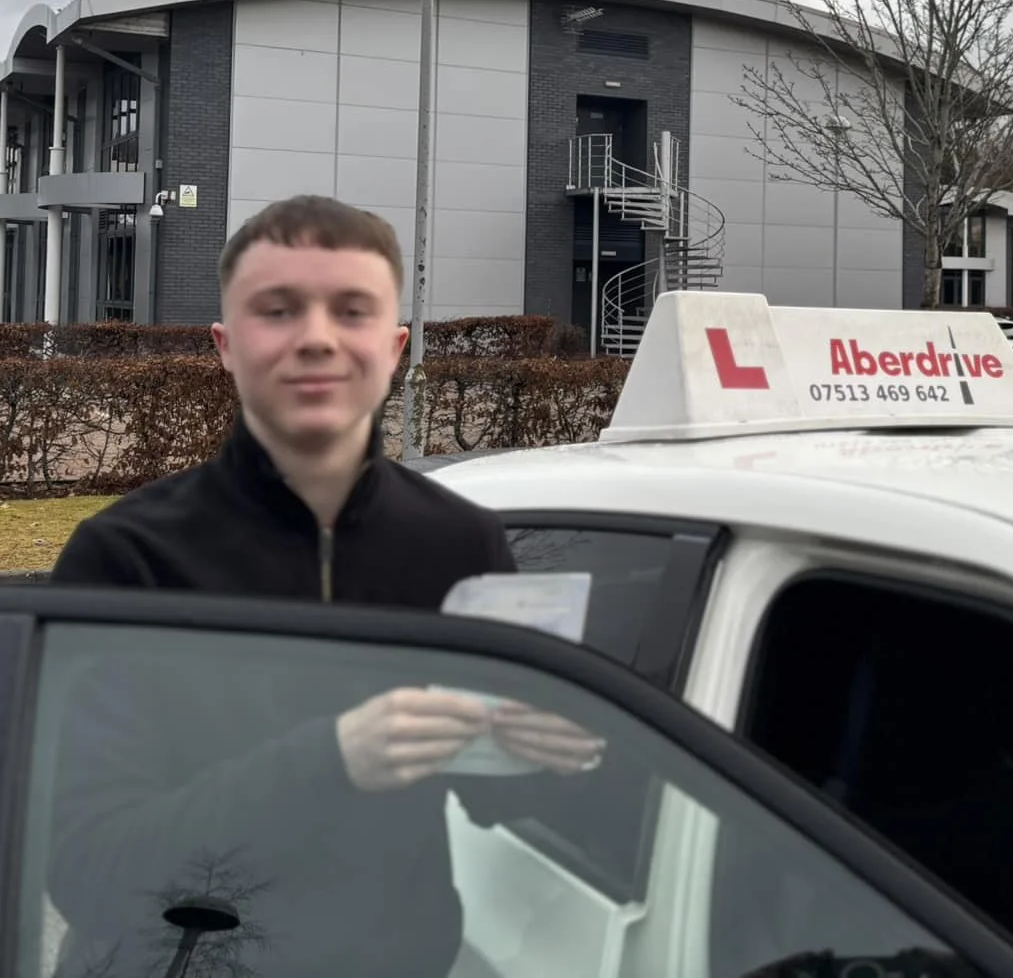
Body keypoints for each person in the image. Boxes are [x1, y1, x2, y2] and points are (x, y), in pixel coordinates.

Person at [44, 195, 599, 977]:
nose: (316, 339)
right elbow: (89, 871)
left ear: (396, 345)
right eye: (277, 310)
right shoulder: (125, 557)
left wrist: (562, 758)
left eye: (353, 311)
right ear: (225, 345)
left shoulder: (462, 541)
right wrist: (332, 759)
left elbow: (502, 798)